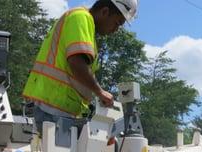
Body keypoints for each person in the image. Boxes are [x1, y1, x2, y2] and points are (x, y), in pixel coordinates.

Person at [22, 0, 138, 133]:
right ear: (105, 12)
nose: (116, 30)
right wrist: (100, 92)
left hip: (57, 109)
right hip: (53, 109)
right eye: (117, 23)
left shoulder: (85, 25)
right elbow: (76, 62)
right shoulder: (81, 18)